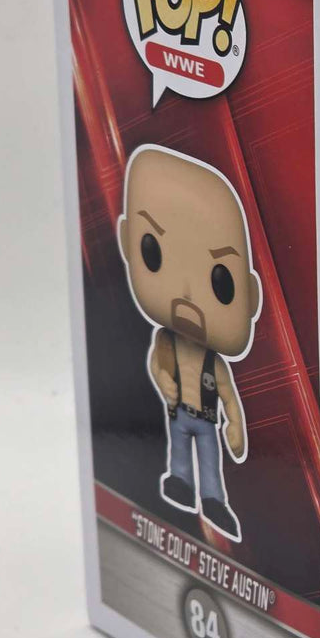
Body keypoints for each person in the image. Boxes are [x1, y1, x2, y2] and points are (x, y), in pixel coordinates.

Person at [118, 146, 262, 541]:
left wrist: (236, 424)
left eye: (221, 282)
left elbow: (228, 394)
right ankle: (180, 483)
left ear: (250, 298)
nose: (185, 293)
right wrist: (163, 379)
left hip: (206, 418)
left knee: (210, 461)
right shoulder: (166, 340)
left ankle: (213, 501)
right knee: (179, 454)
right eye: (152, 251)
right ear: (127, 240)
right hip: (179, 412)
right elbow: (157, 363)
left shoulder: (214, 360)